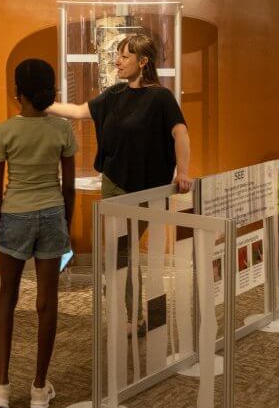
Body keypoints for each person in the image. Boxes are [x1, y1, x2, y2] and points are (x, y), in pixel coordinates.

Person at [47, 33, 190, 331]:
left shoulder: (160, 97)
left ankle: (133, 315)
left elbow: (180, 133)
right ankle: (132, 313)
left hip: (148, 189)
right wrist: (41, 103)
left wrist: (183, 171)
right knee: (119, 250)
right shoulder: (113, 95)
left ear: (143, 61)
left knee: (123, 251)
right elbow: (76, 112)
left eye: (124, 56)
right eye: (118, 56)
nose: (118, 62)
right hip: (114, 184)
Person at [0, 59, 76, 408]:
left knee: (7, 296)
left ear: (16, 93)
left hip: (15, 215)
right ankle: (39, 387)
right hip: (52, 214)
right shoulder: (62, 129)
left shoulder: (4, 130)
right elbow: (68, 186)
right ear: (50, 91)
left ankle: (3, 386)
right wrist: (64, 222)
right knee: (47, 300)